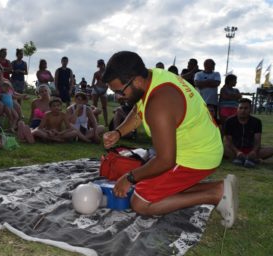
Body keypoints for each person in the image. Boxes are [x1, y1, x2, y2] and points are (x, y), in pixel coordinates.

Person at [102, 51, 237, 228]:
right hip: (201, 144)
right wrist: (119, 132)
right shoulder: (150, 78)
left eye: (120, 91)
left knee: (141, 202)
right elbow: (138, 111)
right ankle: (221, 188)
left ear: (136, 80)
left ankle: (215, 194)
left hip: (197, 155)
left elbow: (165, 160)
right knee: (153, 183)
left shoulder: (159, 104)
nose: (119, 97)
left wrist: (129, 178)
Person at [223, 98, 273, 168]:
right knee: (221, 148)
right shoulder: (229, 121)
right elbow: (228, 141)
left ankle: (243, 159)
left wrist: (254, 151)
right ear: (237, 109)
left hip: (250, 150)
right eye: (240, 108)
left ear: (250, 109)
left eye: (246, 108)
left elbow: (257, 141)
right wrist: (237, 152)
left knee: (272, 150)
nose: (243, 110)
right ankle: (248, 159)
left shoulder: (256, 122)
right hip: (234, 150)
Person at [91, 59, 109, 126]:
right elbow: (92, 83)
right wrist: (96, 90)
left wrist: (105, 90)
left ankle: (106, 123)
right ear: (98, 65)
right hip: (96, 89)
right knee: (94, 106)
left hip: (104, 89)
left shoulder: (107, 73)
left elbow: (109, 83)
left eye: (102, 64)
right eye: (99, 64)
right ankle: (96, 122)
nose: (101, 66)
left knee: (104, 107)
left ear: (104, 64)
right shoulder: (96, 73)